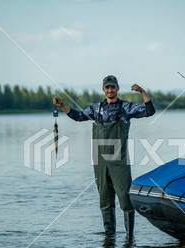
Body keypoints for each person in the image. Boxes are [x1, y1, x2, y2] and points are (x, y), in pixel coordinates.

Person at [52, 75, 156, 237]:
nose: (110, 90)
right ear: (103, 89)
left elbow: (150, 111)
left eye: (112, 87)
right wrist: (63, 105)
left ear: (117, 88)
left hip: (119, 160)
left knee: (125, 199)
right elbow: (78, 117)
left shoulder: (126, 107)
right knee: (105, 199)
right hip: (99, 159)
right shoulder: (97, 108)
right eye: (107, 87)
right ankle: (109, 235)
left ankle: (130, 237)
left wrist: (142, 91)